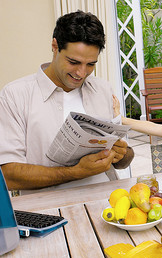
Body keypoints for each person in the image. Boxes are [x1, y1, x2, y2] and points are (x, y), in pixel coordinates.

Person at [0, 10, 133, 194]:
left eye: (91, 64)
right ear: (55, 46)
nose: (81, 73)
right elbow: (8, 175)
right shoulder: (15, 95)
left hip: (107, 201)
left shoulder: (102, 89)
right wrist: (74, 173)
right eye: (73, 62)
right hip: (49, 211)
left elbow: (124, 160)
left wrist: (122, 154)